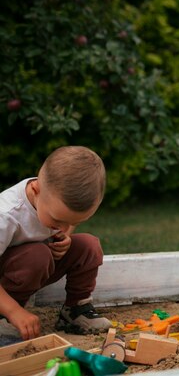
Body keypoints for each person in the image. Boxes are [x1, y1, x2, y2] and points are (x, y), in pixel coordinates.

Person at [0, 146, 112, 341]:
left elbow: (64, 226)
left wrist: (66, 238)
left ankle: (76, 310)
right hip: (8, 281)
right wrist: (14, 311)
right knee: (37, 256)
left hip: (31, 268)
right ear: (36, 190)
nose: (63, 228)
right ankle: (5, 318)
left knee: (89, 245)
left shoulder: (51, 203)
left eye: (74, 223)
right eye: (57, 221)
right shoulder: (6, 215)